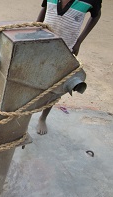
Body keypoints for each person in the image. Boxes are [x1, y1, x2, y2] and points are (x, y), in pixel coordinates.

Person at [36, 0, 102, 135]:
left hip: (65, 48)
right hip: (43, 43)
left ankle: (43, 117)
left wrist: (78, 42)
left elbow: (96, 15)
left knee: (55, 86)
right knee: (34, 80)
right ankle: (25, 114)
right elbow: (45, 8)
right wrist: (35, 29)